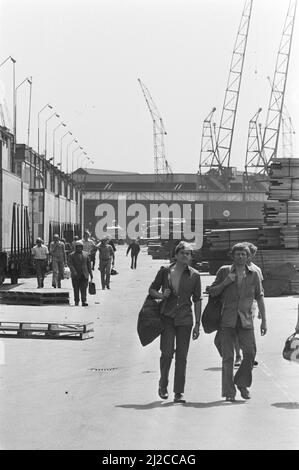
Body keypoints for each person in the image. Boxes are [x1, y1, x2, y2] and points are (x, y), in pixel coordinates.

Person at [208, 243, 267, 402]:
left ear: (248, 257)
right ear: (232, 256)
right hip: (226, 321)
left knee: (250, 352)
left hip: (246, 320)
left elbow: (260, 296)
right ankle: (229, 392)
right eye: (237, 254)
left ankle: (242, 383)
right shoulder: (224, 271)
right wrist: (226, 282)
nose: (240, 257)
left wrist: (264, 320)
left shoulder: (254, 274)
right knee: (228, 357)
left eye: (243, 254)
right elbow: (212, 292)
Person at [149, 241, 202, 404]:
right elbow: (152, 290)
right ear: (176, 254)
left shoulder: (195, 275)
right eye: (183, 253)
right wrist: (161, 296)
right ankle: (163, 384)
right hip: (167, 317)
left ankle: (179, 392)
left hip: (185, 319)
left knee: (182, 357)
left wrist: (198, 323)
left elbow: (198, 299)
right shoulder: (165, 272)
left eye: (188, 253)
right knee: (166, 353)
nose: (186, 256)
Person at [68, 240, 93, 306]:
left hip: (84, 274)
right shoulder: (71, 255)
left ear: (82, 247)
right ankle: (76, 301)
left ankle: (84, 301)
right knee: (76, 289)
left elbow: (89, 265)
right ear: (75, 247)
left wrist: (91, 273)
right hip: (75, 275)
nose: (79, 248)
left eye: (80, 247)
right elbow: (70, 264)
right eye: (77, 247)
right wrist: (74, 271)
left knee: (84, 288)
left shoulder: (86, 254)